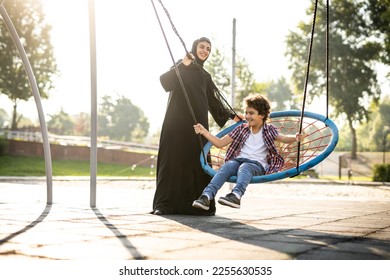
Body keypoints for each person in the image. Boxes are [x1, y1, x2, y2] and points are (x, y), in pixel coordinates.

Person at [151, 37, 240, 215]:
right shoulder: (181, 66)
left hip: (197, 126)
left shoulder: (205, 75)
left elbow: (214, 101)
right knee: (172, 161)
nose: (205, 51)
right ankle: (164, 205)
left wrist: (232, 115)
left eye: (208, 48)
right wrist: (183, 64)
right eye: (202, 47)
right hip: (175, 123)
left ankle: (199, 205)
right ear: (194, 47)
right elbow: (165, 82)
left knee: (197, 161)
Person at [192, 94, 304, 210]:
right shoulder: (242, 129)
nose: (247, 116)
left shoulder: (269, 130)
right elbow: (220, 143)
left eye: (251, 113)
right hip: (238, 161)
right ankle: (206, 196)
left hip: (257, 165)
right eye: (246, 113)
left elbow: (284, 139)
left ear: (262, 115)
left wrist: (295, 138)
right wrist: (205, 132)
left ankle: (236, 195)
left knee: (245, 167)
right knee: (227, 166)